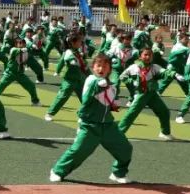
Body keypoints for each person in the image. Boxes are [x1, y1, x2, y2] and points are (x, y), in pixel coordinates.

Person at [50, 54, 133, 184]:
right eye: (98, 65)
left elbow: (108, 101)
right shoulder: (91, 79)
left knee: (125, 149)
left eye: (105, 66)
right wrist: (100, 85)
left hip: (108, 125)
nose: (101, 68)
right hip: (90, 125)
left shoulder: (111, 85)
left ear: (110, 69)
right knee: (78, 151)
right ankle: (57, 171)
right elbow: (88, 95)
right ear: (93, 67)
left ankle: (118, 172)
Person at [117, 47, 172, 140]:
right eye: (145, 55)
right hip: (141, 94)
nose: (148, 57)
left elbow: (164, 72)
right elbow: (122, 76)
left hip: (152, 95)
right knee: (131, 114)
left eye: (150, 55)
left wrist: (173, 73)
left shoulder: (154, 67)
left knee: (165, 112)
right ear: (140, 56)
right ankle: (118, 134)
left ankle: (165, 133)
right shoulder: (134, 67)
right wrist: (131, 81)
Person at [45, 33, 89, 122]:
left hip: (80, 79)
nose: (81, 42)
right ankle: (49, 113)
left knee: (85, 98)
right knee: (62, 97)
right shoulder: (69, 52)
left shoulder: (77, 52)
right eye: (79, 41)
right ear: (73, 42)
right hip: (70, 80)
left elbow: (84, 65)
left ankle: (83, 115)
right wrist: (75, 61)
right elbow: (69, 60)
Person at [0, 36, 41, 106]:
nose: (22, 44)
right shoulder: (13, 49)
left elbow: (29, 57)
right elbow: (20, 50)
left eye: (24, 43)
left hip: (20, 74)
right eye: (20, 43)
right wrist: (30, 46)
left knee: (31, 86)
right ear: (16, 44)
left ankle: (35, 101)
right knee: (0, 86)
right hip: (10, 73)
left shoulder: (26, 51)